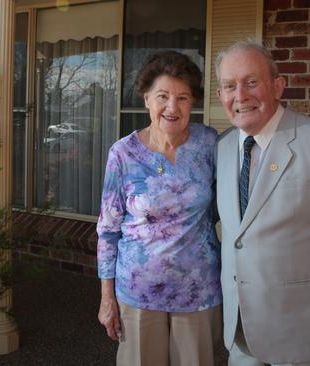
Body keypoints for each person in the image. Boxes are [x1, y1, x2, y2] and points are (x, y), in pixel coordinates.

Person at [215, 41, 310, 366]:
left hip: (302, 327)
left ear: (278, 86)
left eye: (252, 81)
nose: (240, 95)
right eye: (230, 85)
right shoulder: (225, 146)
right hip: (241, 328)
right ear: (220, 95)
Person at [97, 51, 221, 366]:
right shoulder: (123, 154)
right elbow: (108, 232)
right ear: (146, 99)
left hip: (198, 290)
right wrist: (106, 298)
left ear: (193, 102)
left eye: (183, 97)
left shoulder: (209, 145)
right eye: (162, 96)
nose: (172, 107)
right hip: (139, 293)